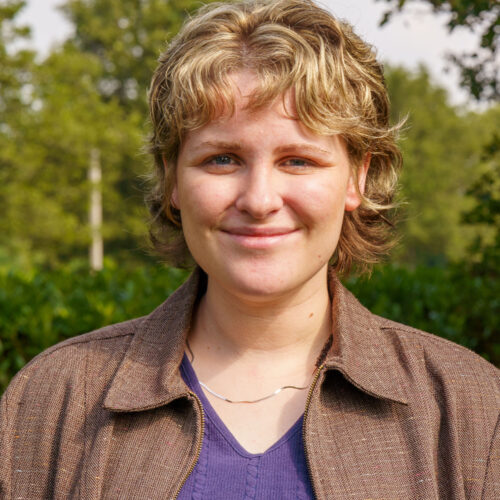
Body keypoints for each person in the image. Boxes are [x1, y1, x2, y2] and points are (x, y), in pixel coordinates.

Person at [1, 0, 498, 498]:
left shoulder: (468, 410)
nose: (259, 200)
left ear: (358, 177)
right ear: (172, 178)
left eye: (298, 161)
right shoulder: (53, 400)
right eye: (222, 159)